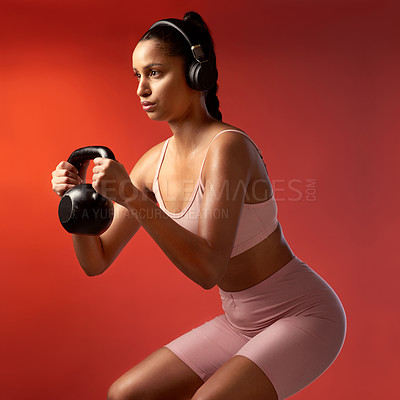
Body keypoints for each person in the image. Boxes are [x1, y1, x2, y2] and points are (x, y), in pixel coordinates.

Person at [51, 11, 346, 400]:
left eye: (154, 73)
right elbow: (96, 261)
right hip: (240, 321)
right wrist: (77, 205)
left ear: (196, 74)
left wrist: (134, 199)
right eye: (137, 76)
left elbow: (208, 268)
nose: (140, 89)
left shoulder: (227, 147)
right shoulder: (150, 164)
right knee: (125, 394)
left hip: (301, 314)